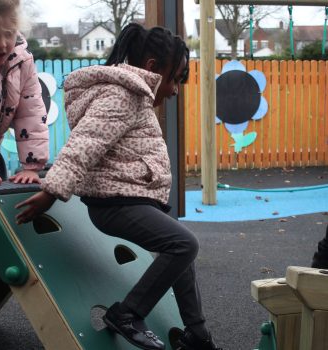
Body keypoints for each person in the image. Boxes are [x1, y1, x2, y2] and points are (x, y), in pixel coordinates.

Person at [15, 23, 221, 350]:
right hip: (116, 205)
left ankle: (197, 333)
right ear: (153, 67)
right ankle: (128, 314)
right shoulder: (121, 93)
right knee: (184, 244)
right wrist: (51, 192)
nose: (175, 89)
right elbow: (86, 143)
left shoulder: (132, 93)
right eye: (175, 78)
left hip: (128, 200)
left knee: (180, 250)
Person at [0, 0, 49, 187]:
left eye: (8, 34)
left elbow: (31, 113)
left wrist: (31, 167)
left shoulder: (21, 61)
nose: (2, 44)